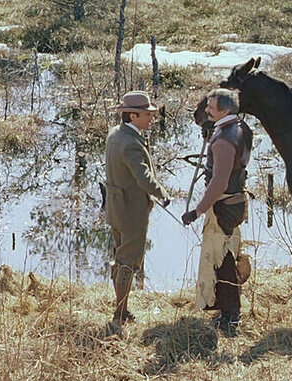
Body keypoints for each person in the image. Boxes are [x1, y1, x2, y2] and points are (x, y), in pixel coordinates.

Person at [182, 88, 252, 336]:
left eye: (211, 108)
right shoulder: (241, 127)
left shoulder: (224, 139)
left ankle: (230, 316)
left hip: (223, 204)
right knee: (227, 255)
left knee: (221, 259)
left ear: (224, 110)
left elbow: (219, 182)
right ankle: (228, 312)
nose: (207, 111)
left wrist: (197, 211)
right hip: (235, 202)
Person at [105, 91, 170, 325]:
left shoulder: (115, 134)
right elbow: (143, 177)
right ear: (132, 116)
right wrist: (161, 193)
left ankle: (121, 308)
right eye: (147, 114)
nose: (152, 118)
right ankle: (120, 313)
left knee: (120, 256)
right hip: (131, 212)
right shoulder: (131, 143)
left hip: (115, 207)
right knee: (128, 262)